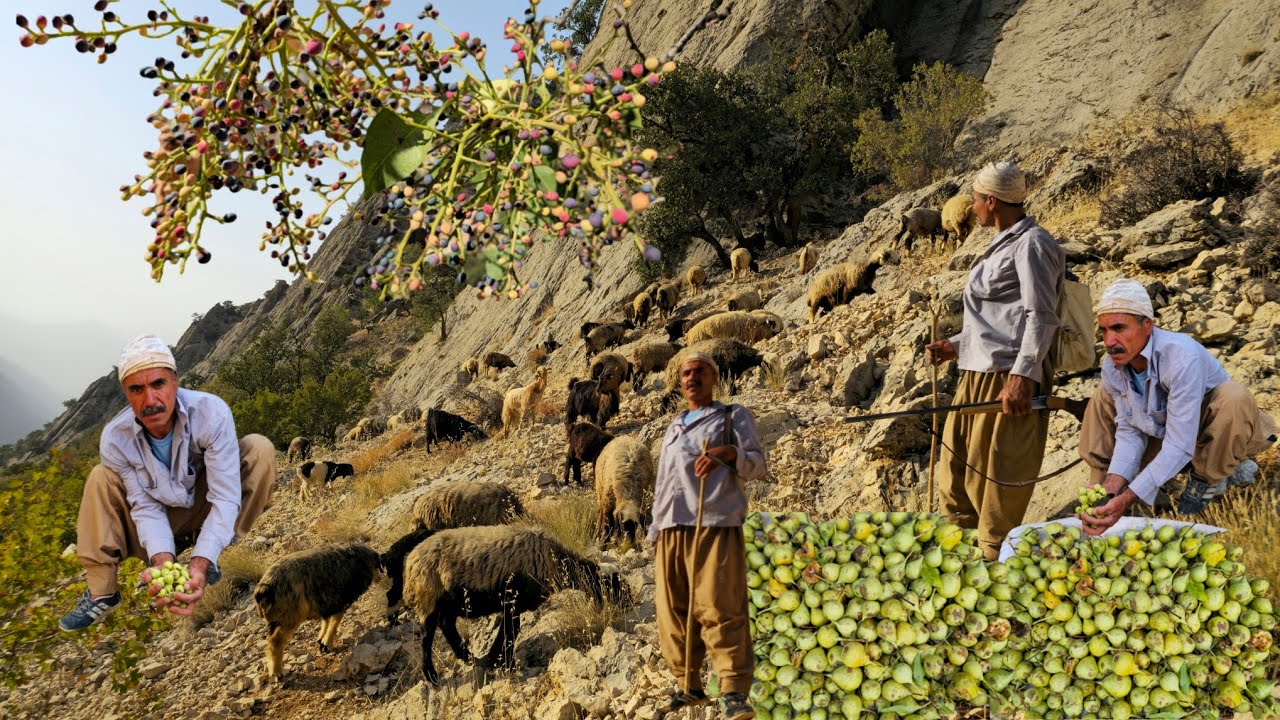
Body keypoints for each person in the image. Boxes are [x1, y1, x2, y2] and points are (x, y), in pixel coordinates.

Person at [58, 334, 276, 631]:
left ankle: (215, 547)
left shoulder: (210, 413)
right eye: (137, 389)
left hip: (202, 508)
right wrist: (163, 562)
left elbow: (225, 496)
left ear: (175, 381)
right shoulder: (115, 438)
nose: (150, 400)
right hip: (151, 524)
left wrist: (200, 561)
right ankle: (103, 591)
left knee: (258, 449)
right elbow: (144, 507)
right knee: (100, 477)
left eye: (158, 384)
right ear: (126, 393)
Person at [925, 161, 1065, 560]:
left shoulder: (1033, 244)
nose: (971, 206)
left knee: (997, 477)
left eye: (974, 198)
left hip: (1006, 376)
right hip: (975, 371)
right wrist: (954, 345)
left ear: (992, 200)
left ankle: (993, 561)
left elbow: (1041, 316)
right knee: (955, 475)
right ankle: (960, 557)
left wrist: (1022, 376)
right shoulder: (1002, 241)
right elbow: (999, 318)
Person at [1078, 279, 1276, 534]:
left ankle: (1207, 479)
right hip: (1163, 431)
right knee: (1100, 397)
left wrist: (1130, 496)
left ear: (1147, 325)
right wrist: (1115, 483)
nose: (1109, 341)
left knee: (1233, 396)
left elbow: (1180, 444)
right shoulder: (1113, 367)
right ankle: (1109, 493)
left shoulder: (1181, 357)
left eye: (1118, 328)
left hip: (1208, 436)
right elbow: (1130, 430)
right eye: (1103, 331)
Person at [650, 353, 766, 720]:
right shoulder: (673, 427)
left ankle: (733, 690)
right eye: (686, 372)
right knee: (674, 613)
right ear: (679, 382)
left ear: (714, 377)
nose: (692, 376)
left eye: (700, 370)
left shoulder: (732, 416)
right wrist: (655, 530)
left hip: (714, 521)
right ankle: (689, 685)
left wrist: (728, 452)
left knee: (719, 605)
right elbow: (663, 483)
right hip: (671, 528)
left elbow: (758, 464)